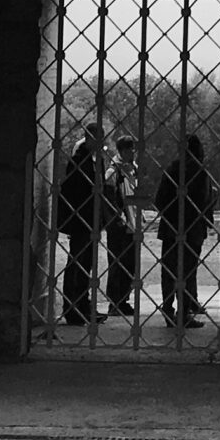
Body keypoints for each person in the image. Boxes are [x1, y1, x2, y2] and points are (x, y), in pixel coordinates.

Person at [154, 133, 213, 327]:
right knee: (187, 272)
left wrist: (171, 216)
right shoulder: (200, 171)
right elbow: (205, 200)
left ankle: (168, 307)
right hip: (193, 228)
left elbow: (160, 199)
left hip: (172, 228)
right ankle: (183, 312)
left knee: (170, 271)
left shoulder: (172, 168)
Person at [55, 116, 109, 325]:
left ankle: (84, 305)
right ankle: (73, 308)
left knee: (87, 263)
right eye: (99, 138)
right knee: (77, 262)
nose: (101, 142)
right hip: (81, 220)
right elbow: (74, 192)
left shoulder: (96, 160)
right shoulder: (79, 161)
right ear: (89, 138)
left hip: (91, 218)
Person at [104, 132, 142, 318]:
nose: (133, 152)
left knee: (130, 264)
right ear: (123, 151)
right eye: (130, 149)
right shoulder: (113, 171)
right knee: (117, 263)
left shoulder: (133, 169)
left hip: (132, 223)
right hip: (119, 224)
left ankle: (124, 299)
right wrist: (116, 220)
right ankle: (114, 302)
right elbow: (109, 198)